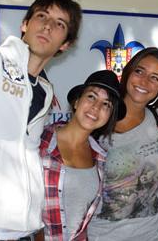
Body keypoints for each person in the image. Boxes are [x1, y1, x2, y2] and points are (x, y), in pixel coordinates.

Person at [0, 0, 82, 240]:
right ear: (25, 24)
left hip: (22, 229)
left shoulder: (45, 92)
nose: (48, 26)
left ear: (65, 44)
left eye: (59, 24)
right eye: (41, 16)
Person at [88, 47, 158, 241]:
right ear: (127, 73)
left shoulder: (155, 119)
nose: (144, 81)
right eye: (139, 71)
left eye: (155, 77)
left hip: (150, 235)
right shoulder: (98, 118)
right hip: (101, 236)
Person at [38, 70, 126, 241]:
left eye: (106, 104)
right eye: (91, 97)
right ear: (77, 101)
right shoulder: (39, 141)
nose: (96, 107)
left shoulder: (100, 159)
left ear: (109, 116)